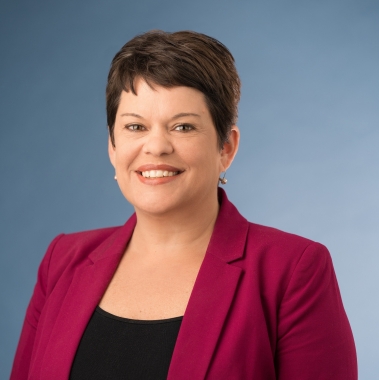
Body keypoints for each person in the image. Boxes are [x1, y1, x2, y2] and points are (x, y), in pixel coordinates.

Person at [10, 30, 357, 380]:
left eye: (183, 126)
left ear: (226, 148)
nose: (156, 146)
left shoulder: (293, 271)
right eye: (135, 126)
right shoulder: (62, 261)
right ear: (113, 147)